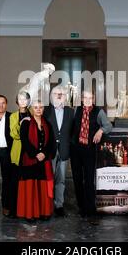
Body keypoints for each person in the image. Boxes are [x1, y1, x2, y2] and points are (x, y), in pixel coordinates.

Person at [71, 91, 112, 225]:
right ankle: (82, 207)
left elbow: (108, 125)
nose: (88, 100)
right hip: (75, 150)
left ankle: (90, 209)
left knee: (89, 179)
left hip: (89, 150)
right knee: (77, 179)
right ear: (82, 99)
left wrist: (100, 130)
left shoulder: (98, 112)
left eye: (90, 98)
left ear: (93, 99)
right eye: (85, 97)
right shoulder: (75, 110)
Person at [17, 100, 56, 222]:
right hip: (29, 160)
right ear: (31, 109)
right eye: (36, 107)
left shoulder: (47, 124)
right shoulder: (26, 123)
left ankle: (44, 212)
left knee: (42, 186)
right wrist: (35, 154)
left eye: (40, 107)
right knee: (31, 186)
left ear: (43, 109)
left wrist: (44, 153)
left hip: (43, 161)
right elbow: (24, 141)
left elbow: (51, 142)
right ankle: (30, 213)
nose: (38, 109)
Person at [44, 86, 74, 217]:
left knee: (61, 179)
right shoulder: (45, 110)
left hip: (64, 150)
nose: (59, 95)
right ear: (51, 96)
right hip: (49, 150)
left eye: (62, 94)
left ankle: (59, 205)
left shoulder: (70, 111)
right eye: (56, 93)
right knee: (48, 179)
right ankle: (47, 204)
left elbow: (74, 131)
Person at [9, 91, 31, 218]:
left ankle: (27, 209)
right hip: (18, 151)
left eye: (25, 99)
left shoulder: (33, 114)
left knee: (28, 182)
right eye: (20, 99)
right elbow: (14, 134)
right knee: (15, 182)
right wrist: (23, 125)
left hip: (30, 152)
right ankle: (14, 210)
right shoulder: (13, 116)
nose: (23, 101)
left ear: (28, 101)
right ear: (17, 101)